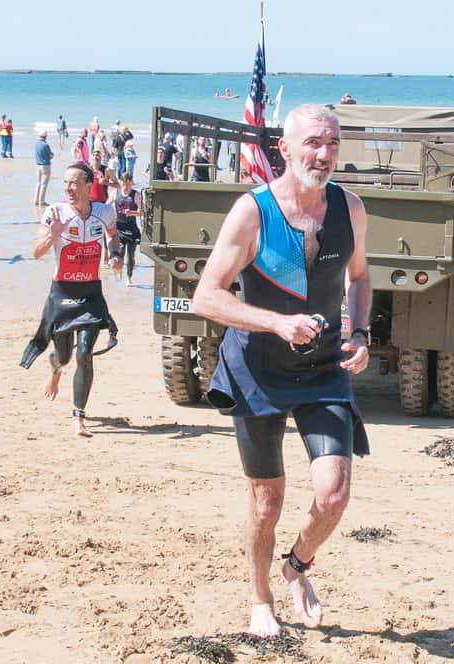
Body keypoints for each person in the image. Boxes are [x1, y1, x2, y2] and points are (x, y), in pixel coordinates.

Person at [191, 103, 372, 637]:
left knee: (334, 493)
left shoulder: (350, 209)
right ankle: (261, 598)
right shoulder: (254, 212)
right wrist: (276, 322)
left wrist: (360, 334)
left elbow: (360, 277)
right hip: (257, 371)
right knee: (266, 503)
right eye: (314, 142)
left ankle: (297, 566)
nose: (324, 153)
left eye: (333, 143)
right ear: (285, 148)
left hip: (323, 369)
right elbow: (206, 296)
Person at [20, 162, 121, 438]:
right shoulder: (54, 212)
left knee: (85, 353)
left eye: (74, 182)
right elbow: (36, 252)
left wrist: (114, 254)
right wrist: (54, 233)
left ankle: (78, 417)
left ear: (89, 186)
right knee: (63, 357)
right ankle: (55, 369)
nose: (68, 188)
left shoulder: (105, 212)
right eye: (65, 183)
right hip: (62, 293)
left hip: (90, 293)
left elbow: (113, 237)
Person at [112, 172, 142, 286]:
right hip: (119, 228)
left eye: (128, 184)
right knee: (120, 253)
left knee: (131, 255)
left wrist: (132, 212)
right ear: (121, 183)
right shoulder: (116, 193)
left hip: (131, 229)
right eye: (124, 184)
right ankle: (119, 271)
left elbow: (142, 212)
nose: (126, 187)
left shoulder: (136, 195)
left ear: (131, 183)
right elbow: (106, 205)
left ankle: (129, 277)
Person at [34, 130, 54, 206]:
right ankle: (41, 201)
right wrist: (52, 155)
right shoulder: (46, 145)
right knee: (44, 184)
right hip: (45, 165)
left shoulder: (36, 144)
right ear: (45, 137)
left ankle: (35, 200)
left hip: (38, 165)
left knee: (38, 183)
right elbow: (50, 155)